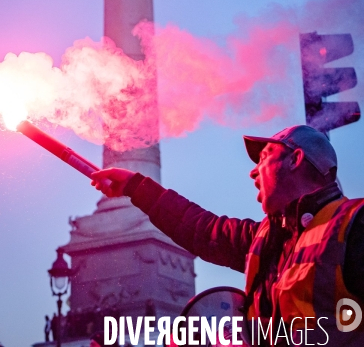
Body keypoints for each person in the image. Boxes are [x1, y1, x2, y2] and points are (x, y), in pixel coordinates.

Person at [91, 125, 364, 346]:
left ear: (296, 159)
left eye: (265, 156)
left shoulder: (354, 225)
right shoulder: (266, 238)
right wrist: (135, 186)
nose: (253, 170)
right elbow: (201, 228)